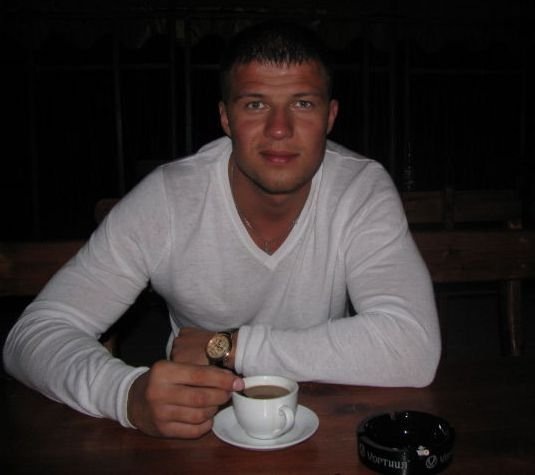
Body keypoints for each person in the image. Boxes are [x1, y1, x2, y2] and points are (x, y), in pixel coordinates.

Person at [3, 21, 441, 439]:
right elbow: (34, 334)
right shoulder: (169, 200)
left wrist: (230, 346)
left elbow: (412, 348)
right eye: (255, 104)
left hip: (326, 422)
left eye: (303, 104)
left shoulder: (359, 189)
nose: (280, 129)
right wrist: (124, 394)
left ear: (330, 116)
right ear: (226, 118)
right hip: (199, 430)